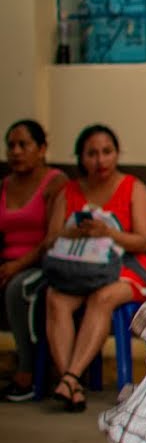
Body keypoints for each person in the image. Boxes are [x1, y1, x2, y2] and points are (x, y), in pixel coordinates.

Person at [45, 125, 146, 412]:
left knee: (103, 298)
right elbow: (50, 238)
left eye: (107, 152)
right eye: (92, 154)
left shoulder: (133, 187)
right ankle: (71, 382)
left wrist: (107, 233)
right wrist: (73, 233)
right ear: (80, 158)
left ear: (116, 153)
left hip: (124, 268)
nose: (100, 160)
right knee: (55, 299)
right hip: (79, 268)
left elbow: (142, 241)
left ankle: (70, 380)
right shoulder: (69, 191)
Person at [1, 120, 67, 401]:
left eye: (23, 145)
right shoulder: (4, 185)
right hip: (7, 262)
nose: (16, 152)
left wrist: (17, 265)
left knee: (18, 288)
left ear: (41, 149)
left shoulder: (55, 183)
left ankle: (26, 372)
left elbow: (52, 238)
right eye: (11, 146)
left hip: (41, 264)